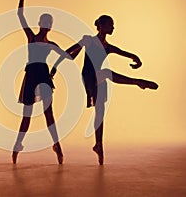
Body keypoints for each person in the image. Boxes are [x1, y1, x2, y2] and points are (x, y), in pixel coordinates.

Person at [51, 15, 158, 165]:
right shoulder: (88, 40)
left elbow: (124, 53)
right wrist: (55, 67)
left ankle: (98, 145)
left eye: (113, 25)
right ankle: (136, 81)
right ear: (101, 26)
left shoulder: (108, 47)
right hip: (89, 76)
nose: (113, 27)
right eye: (110, 25)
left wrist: (136, 58)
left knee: (100, 112)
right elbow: (69, 52)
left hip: (100, 80)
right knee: (106, 72)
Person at [12, 0, 70, 164]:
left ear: (51, 26)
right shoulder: (31, 37)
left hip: (44, 77)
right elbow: (20, 15)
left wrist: (55, 67)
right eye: (45, 22)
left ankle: (57, 145)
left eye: (50, 23)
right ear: (40, 23)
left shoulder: (51, 44)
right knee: (27, 116)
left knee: (49, 114)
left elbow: (67, 56)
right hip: (31, 76)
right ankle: (17, 146)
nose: (47, 25)